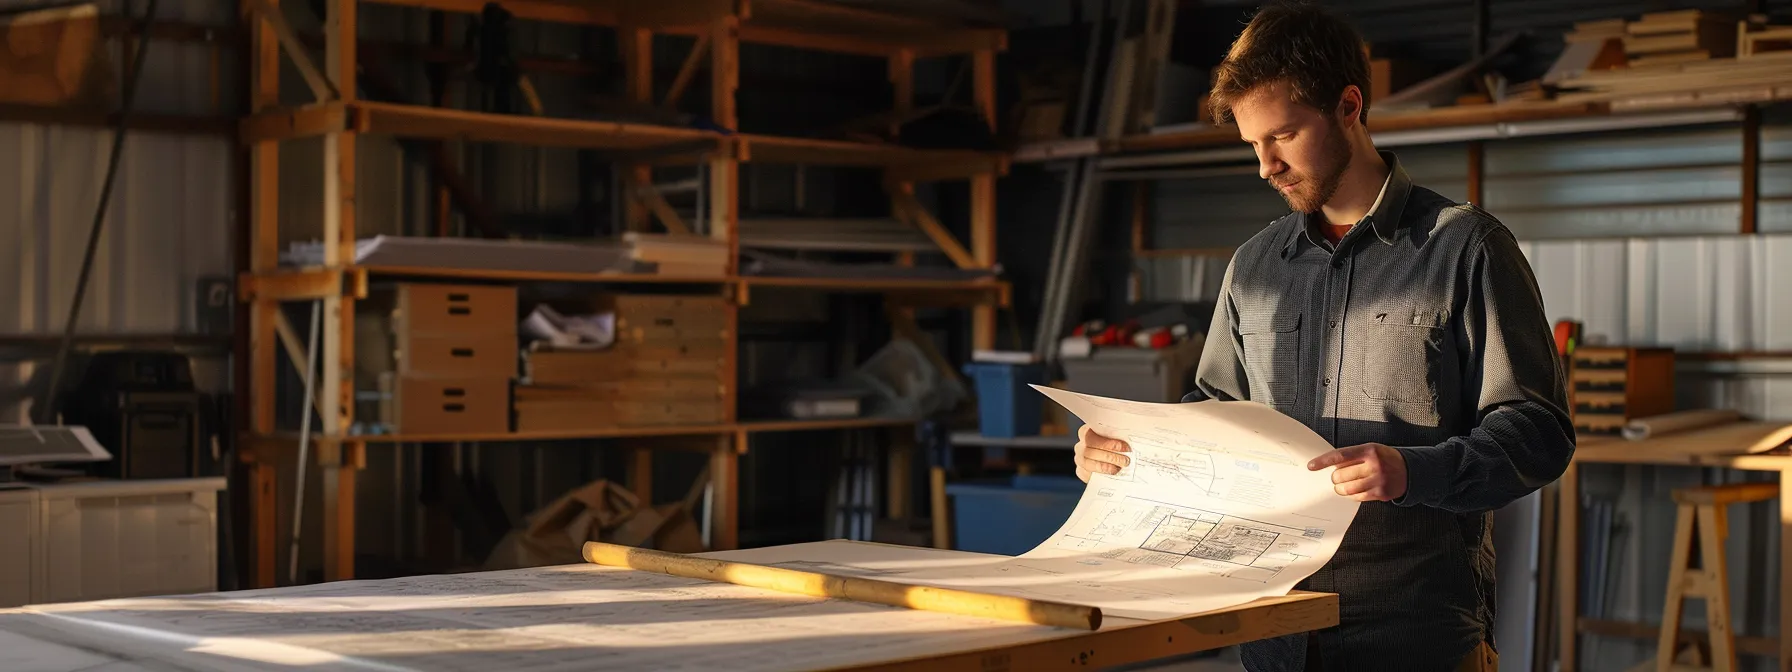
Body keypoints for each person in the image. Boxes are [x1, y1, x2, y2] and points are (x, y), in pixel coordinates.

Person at [1071, 2, 1576, 671]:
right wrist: (1136, 453)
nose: (1265, 167)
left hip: (1415, 636)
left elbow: (1539, 433)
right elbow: (1216, 420)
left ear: (1348, 106)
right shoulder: (1252, 268)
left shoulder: (1465, 249)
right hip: (1276, 635)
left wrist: (1409, 470)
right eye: (1253, 145)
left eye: (1281, 136)